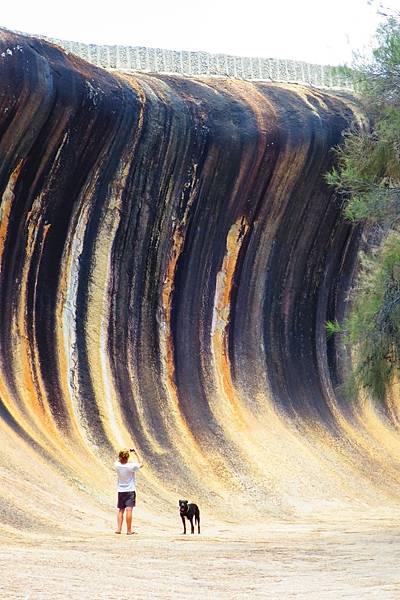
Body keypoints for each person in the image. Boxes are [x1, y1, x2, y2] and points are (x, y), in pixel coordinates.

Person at [114, 447, 144, 535]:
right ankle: (129, 530)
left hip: (121, 490)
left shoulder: (117, 465)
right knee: (129, 510)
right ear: (127, 457)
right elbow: (141, 463)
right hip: (130, 490)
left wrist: (123, 453)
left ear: (120, 457)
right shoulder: (131, 466)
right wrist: (136, 452)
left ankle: (119, 529)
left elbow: (118, 459)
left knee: (120, 510)